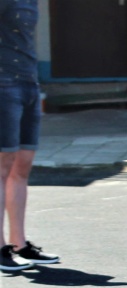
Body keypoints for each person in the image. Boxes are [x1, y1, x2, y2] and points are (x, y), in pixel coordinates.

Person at [0, 0, 60, 271]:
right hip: (3, 85)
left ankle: (19, 244)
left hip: (28, 84)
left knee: (22, 166)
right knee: (2, 168)